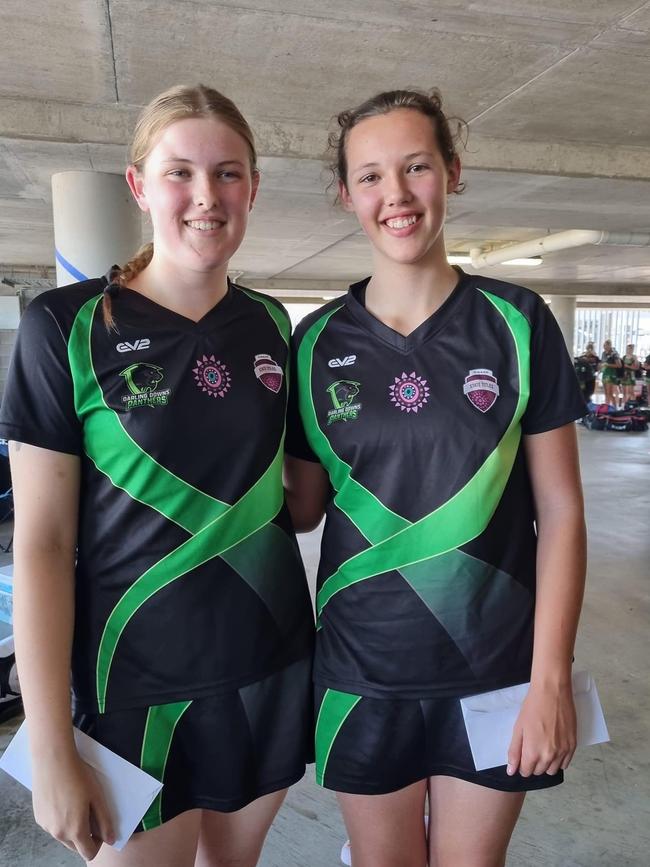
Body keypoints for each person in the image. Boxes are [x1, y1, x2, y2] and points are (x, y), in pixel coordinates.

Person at [0, 84, 314, 866]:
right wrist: (48, 746)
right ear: (139, 186)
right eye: (180, 172)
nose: (206, 196)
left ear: (253, 188)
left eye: (229, 173)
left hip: (268, 660)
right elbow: (40, 543)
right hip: (134, 682)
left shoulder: (274, 324)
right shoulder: (64, 328)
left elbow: (297, 502)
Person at [284, 89, 587, 867]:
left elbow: (561, 513)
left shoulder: (518, 323)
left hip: (495, 671)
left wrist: (550, 680)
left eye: (415, 166)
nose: (396, 194)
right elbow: (305, 510)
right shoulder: (313, 344)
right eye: (372, 176)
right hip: (360, 673)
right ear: (347, 193)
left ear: (451, 172)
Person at [599, 339, 622, 409]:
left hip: (611, 374)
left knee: (610, 393)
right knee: (606, 393)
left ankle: (614, 408)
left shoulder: (614, 354)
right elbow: (602, 363)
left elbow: (619, 365)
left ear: (609, 345)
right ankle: (607, 407)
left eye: (606, 345)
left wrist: (608, 365)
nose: (604, 347)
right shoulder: (603, 353)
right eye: (604, 346)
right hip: (605, 373)